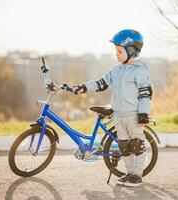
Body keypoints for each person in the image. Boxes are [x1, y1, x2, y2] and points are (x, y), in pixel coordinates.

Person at [63, 29, 152, 187]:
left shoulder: (139, 70)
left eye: (119, 51)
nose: (116, 54)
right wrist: (83, 87)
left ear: (132, 50)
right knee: (125, 146)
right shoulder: (116, 70)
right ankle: (129, 173)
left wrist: (143, 114)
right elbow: (100, 83)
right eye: (115, 51)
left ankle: (137, 175)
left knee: (136, 145)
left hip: (134, 115)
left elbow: (145, 93)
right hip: (118, 115)